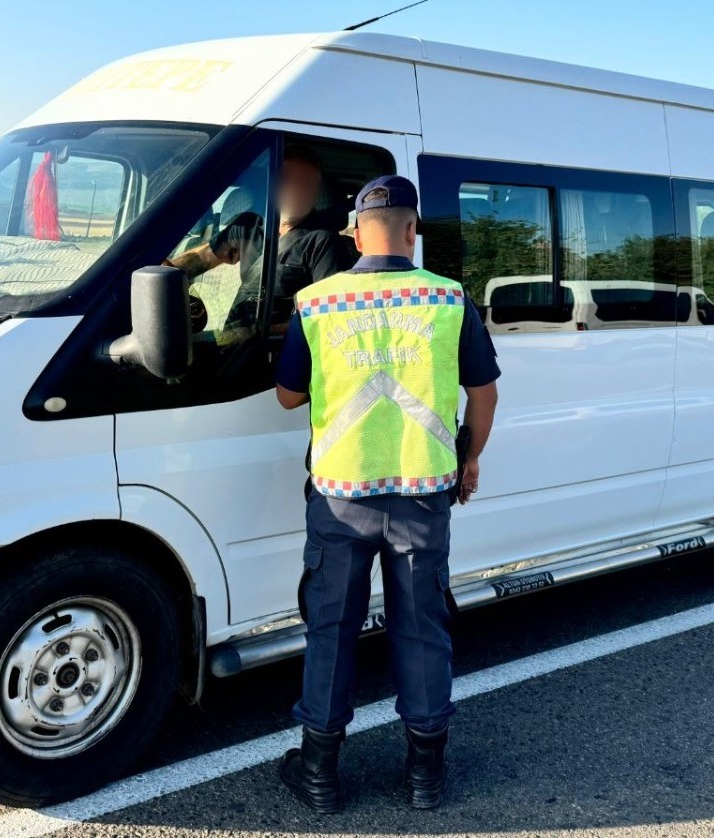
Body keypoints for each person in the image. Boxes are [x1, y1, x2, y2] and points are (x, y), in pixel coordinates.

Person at [272, 174, 500, 813]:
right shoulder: (449, 299)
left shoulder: (316, 303)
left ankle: (319, 773)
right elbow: (484, 394)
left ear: (354, 234)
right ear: (411, 230)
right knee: (422, 628)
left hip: (340, 497)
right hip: (424, 495)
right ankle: (426, 774)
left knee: (332, 628)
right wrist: (469, 455)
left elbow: (289, 395)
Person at [166, 144, 357, 336]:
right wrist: (166, 270)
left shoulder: (323, 242)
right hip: (233, 341)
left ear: (316, 192)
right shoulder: (249, 224)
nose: (294, 189)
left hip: (272, 348)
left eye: (305, 182)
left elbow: (328, 316)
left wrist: (261, 332)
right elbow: (203, 258)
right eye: (285, 179)